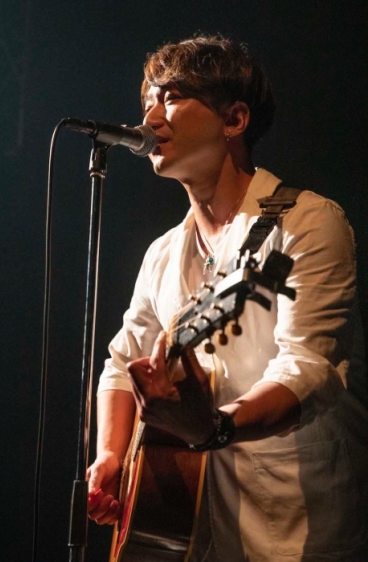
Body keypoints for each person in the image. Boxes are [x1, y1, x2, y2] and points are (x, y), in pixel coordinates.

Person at [87, 35, 368, 561]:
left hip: (297, 530)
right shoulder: (163, 253)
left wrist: (214, 428)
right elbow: (121, 364)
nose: (150, 117)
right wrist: (111, 455)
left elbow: (308, 368)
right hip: (196, 535)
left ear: (234, 119)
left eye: (171, 97)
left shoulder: (307, 222)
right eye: (148, 100)